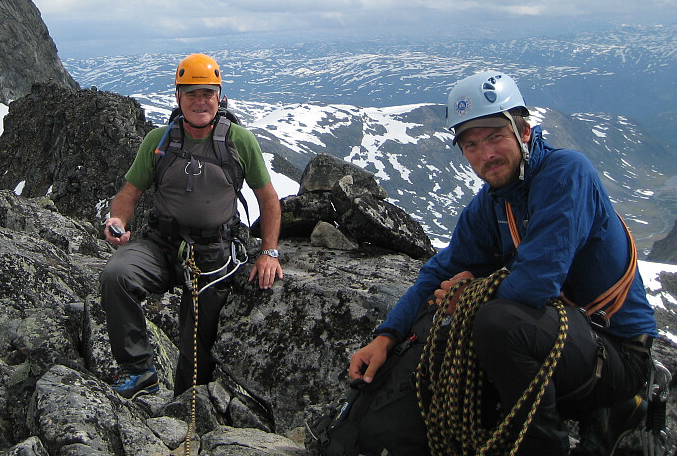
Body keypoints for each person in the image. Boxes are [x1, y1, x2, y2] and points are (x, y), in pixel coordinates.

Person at [347, 71, 657, 456]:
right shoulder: (494, 202)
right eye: (471, 144)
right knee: (452, 331)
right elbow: (440, 272)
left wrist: (472, 295)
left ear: (523, 132)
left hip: (618, 356)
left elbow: (534, 286)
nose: (485, 154)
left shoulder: (566, 174)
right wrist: (385, 337)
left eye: (495, 136)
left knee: (496, 321)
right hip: (567, 350)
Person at [99, 52, 283, 398]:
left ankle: (187, 406)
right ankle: (139, 371)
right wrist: (118, 219)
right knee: (116, 276)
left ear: (219, 96)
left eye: (207, 94)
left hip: (213, 254)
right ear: (178, 97)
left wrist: (269, 252)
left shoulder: (239, 141)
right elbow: (129, 193)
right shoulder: (159, 141)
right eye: (192, 94)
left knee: (196, 348)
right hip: (161, 245)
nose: (200, 102)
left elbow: (269, 200)